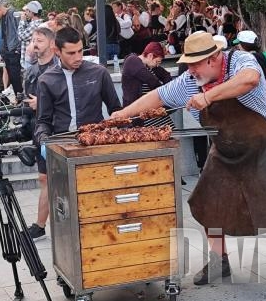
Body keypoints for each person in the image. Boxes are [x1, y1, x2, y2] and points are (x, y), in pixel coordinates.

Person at [111, 32, 266, 290]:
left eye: (195, 64)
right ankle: (219, 260)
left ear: (214, 58)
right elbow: (157, 97)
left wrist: (208, 97)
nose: (191, 70)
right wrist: (122, 115)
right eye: (187, 64)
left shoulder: (241, 61)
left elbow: (250, 80)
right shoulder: (189, 81)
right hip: (225, 150)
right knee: (206, 203)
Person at [30, 27, 122, 240]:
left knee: (96, 195)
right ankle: (67, 240)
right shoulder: (47, 80)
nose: (78, 57)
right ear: (57, 51)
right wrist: (44, 142)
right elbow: (43, 121)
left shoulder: (98, 72)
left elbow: (116, 109)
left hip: (94, 143)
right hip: (63, 144)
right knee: (65, 198)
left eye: (81, 51)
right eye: (71, 53)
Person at [22, 27, 58, 241]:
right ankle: (40, 225)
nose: (36, 44)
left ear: (52, 43)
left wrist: (41, 103)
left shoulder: (59, 68)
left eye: (40, 40)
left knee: (56, 179)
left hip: (57, 129)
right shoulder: (32, 70)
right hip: (39, 130)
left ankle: (44, 224)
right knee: (44, 178)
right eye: (34, 40)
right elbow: (27, 102)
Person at [121, 41, 173, 127]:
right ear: (150, 56)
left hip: (149, 113)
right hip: (135, 114)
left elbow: (166, 75)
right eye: (157, 62)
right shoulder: (132, 60)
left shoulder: (149, 65)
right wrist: (165, 95)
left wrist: (170, 90)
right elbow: (151, 80)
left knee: (167, 131)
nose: (157, 65)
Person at [0, 0, 23, 94]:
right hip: (6, 52)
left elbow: (19, 32)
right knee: (11, 77)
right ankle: (15, 96)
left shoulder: (13, 14)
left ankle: (19, 97)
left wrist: (18, 49)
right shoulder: (3, 18)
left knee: (16, 77)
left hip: (14, 51)